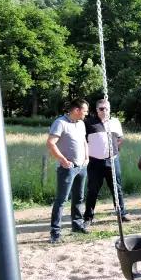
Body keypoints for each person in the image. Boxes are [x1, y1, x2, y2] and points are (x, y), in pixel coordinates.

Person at [47, 99, 90, 243]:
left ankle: (77, 225)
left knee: (79, 197)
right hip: (67, 169)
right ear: (76, 110)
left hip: (82, 167)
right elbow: (50, 143)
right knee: (61, 200)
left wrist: (87, 157)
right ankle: (55, 232)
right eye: (85, 110)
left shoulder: (81, 124)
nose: (86, 113)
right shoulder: (60, 123)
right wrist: (63, 160)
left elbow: (84, 141)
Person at [83, 99, 129, 228]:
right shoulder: (88, 123)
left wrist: (113, 151)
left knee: (117, 188)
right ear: (96, 110)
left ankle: (121, 213)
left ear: (109, 109)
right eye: (101, 109)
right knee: (92, 190)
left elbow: (120, 139)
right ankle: (88, 217)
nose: (104, 111)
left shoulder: (115, 122)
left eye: (106, 108)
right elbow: (83, 141)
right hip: (95, 161)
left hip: (113, 161)